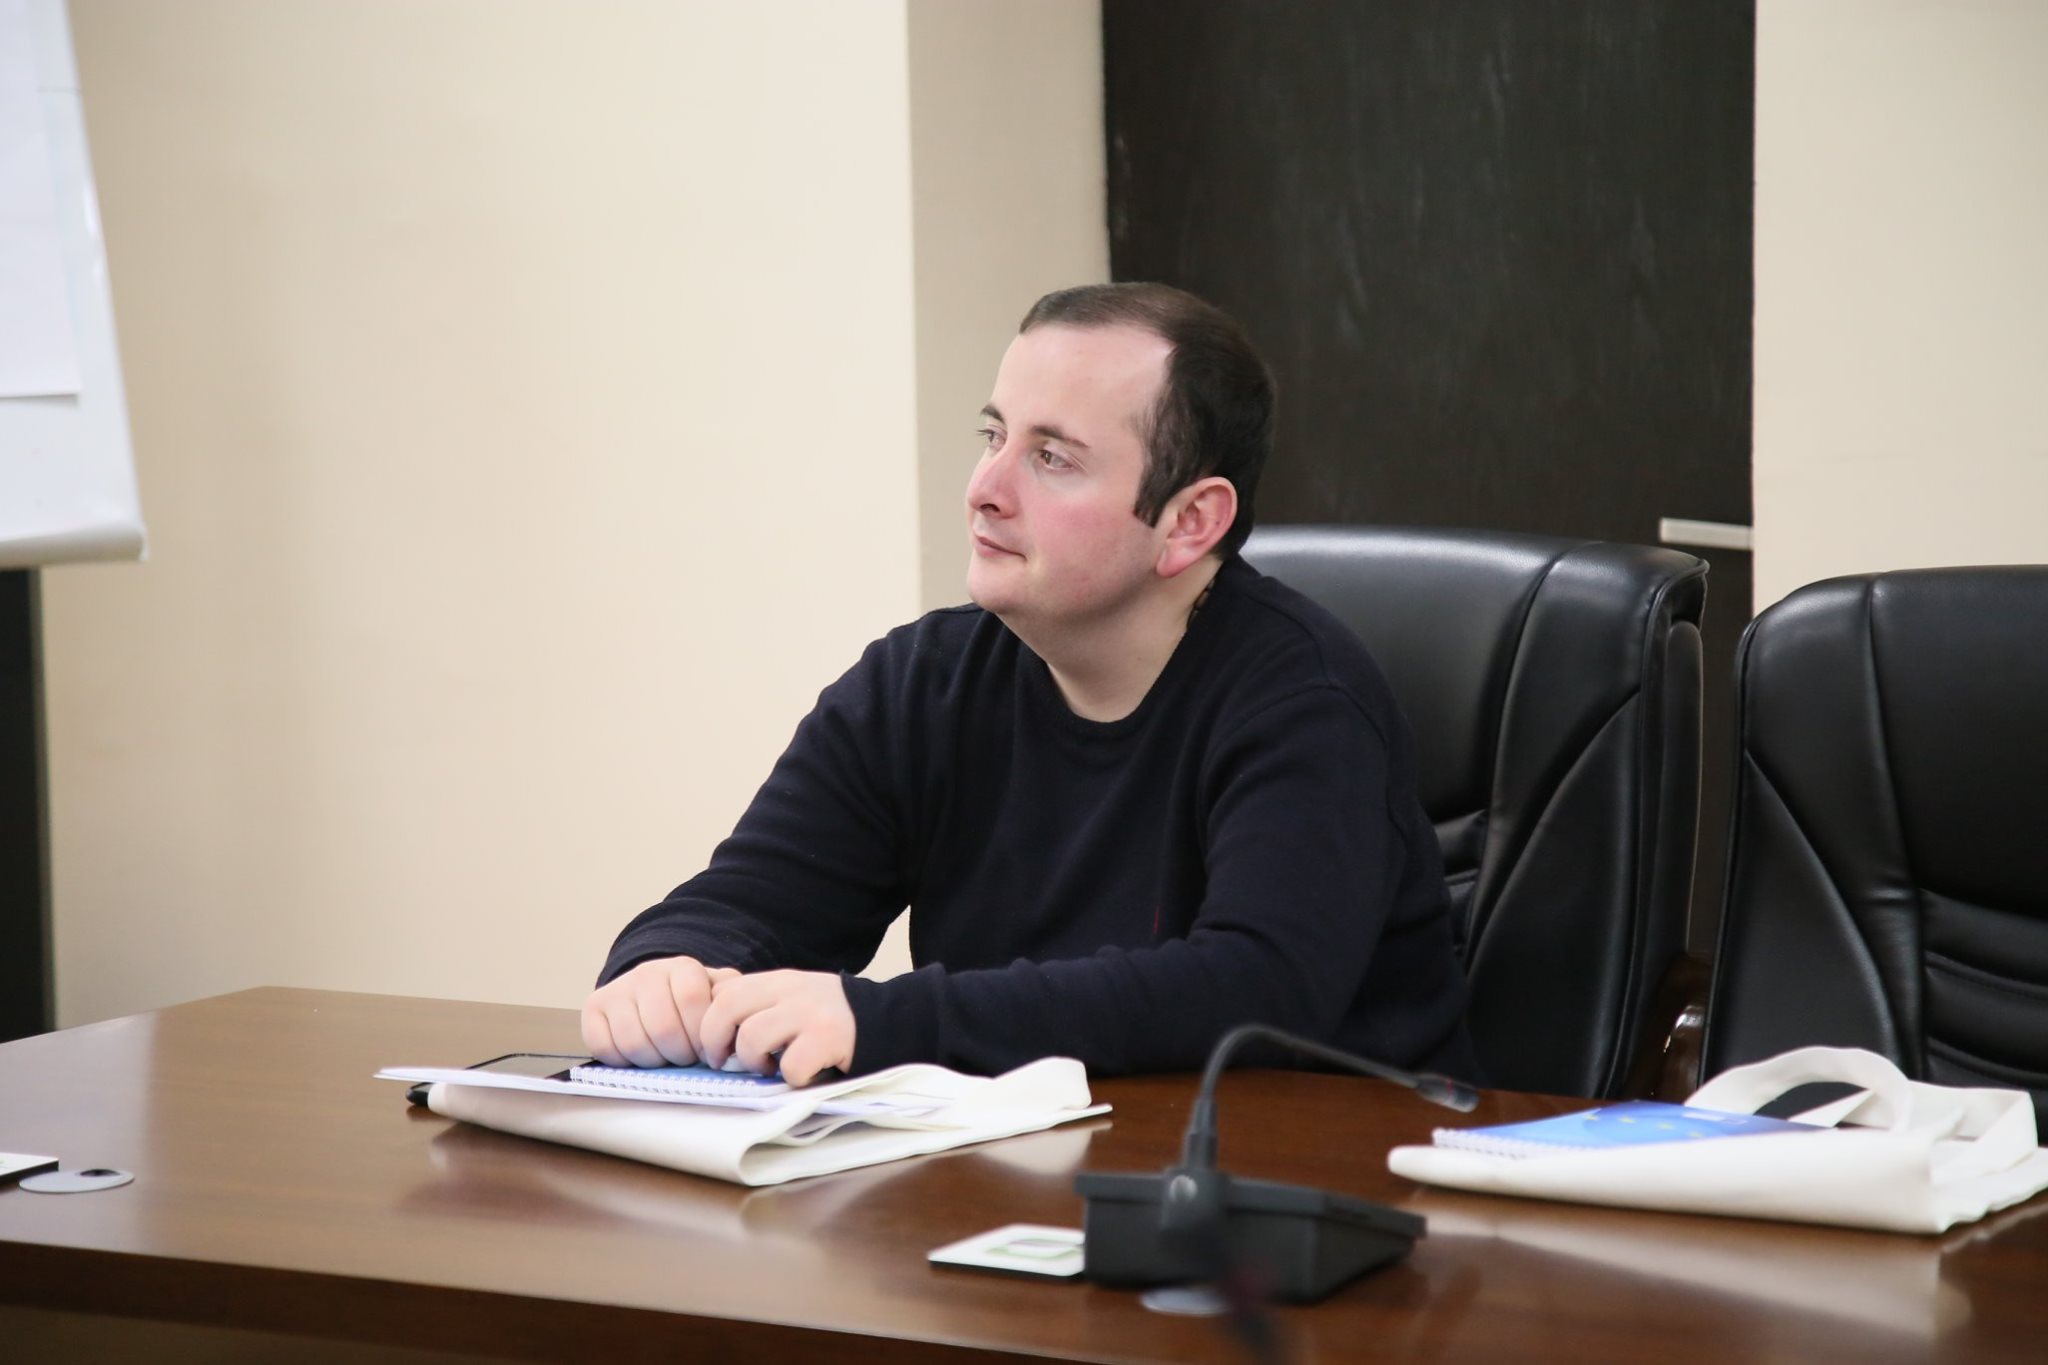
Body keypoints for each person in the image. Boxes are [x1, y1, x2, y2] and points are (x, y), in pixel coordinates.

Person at [583, 283, 1476, 1086]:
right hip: (1030, 1169)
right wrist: (667, 967)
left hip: (1313, 1182)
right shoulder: (919, 684)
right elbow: (749, 902)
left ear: (1189, 522)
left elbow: (1257, 989)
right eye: (994, 436)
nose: (984, 488)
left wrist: (888, 1020)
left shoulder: (1305, 700)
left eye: (1052, 458)